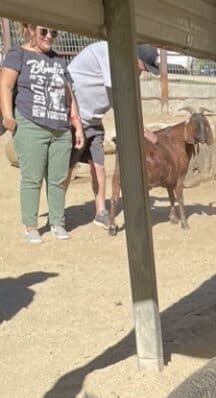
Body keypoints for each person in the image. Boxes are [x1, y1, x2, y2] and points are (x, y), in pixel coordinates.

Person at [0, 24, 83, 243]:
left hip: (60, 128)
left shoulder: (59, 60)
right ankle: (30, 226)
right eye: (44, 31)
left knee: (57, 179)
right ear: (29, 29)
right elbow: (5, 85)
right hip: (30, 123)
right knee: (32, 178)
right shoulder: (18, 54)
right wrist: (8, 116)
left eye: (54, 33)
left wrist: (77, 125)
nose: (49, 37)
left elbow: (69, 95)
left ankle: (57, 222)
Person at [63, 42, 161, 229]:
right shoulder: (109, 53)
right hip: (75, 118)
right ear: (135, 57)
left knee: (99, 166)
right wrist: (143, 131)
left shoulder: (124, 66)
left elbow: (128, 98)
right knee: (67, 168)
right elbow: (120, 99)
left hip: (93, 120)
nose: (143, 72)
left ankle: (101, 212)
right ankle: (57, 213)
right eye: (144, 67)